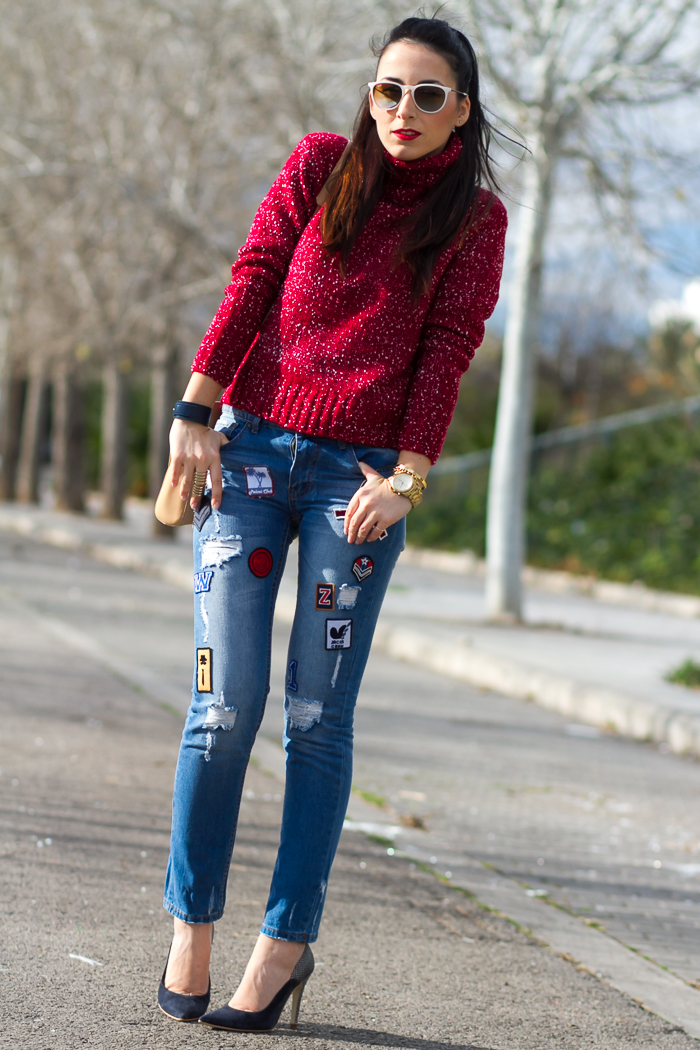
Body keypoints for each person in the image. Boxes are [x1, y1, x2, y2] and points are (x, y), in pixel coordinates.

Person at [158, 14, 507, 1033]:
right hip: (251, 455)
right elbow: (254, 279)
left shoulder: (474, 219)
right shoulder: (319, 167)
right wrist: (194, 410)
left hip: (356, 485)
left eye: (428, 95)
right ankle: (191, 926)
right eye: (390, 89)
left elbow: (447, 349)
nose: (404, 110)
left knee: (315, 720)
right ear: (370, 96)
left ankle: (283, 946)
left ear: (461, 110)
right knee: (223, 706)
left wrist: (409, 479)